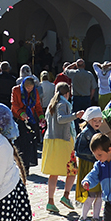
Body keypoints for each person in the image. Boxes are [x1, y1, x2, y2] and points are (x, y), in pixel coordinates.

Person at [72, 106, 111, 221]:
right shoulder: (85, 133)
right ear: (89, 120)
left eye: (99, 120)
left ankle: (96, 219)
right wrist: (94, 153)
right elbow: (79, 149)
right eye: (94, 120)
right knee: (91, 195)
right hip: (88, 166)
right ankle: (83, 217)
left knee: (99, 195)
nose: (97, 123)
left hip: (97, 165)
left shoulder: (97, 133)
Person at [41, 81, 78, 213]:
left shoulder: (52, 103)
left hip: (51, 141)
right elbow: (61, 119)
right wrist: (75, 116)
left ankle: (50, 201)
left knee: (54, 173)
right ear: (68, 93)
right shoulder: (63, 103)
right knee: (72, 170)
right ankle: (66, 196)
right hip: (63, 141)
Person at [10, 70, 43, 173]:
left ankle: (26, 167)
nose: (29, 90)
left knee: (28, 144)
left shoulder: (35, 92)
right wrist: (21, 113)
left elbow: (37, 105)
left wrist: (41, 117)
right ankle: (17, 166)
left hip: (30, 120)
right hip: (18, 119)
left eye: (31, 88)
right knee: (19, 144)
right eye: (28, 88)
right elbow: (14, 104)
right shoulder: (16, 90)